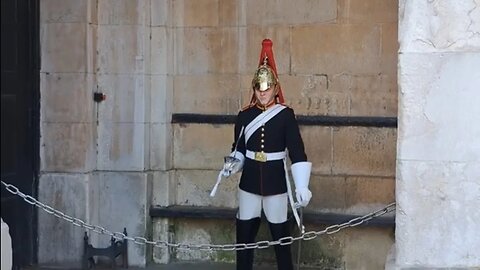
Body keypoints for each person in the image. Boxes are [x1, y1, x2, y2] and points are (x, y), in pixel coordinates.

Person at [221, 39, 313, 270]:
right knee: (244, 238)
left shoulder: (285, 115)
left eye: (267, 88)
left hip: (275, 182)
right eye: (258, 89)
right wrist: (233, 164)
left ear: (275, 88)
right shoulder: (244, 116)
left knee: (281, 237)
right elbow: (240, 149)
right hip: (250, 181)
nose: (262, 94)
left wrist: (302, 185)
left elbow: (297, 151)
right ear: (254, 89)